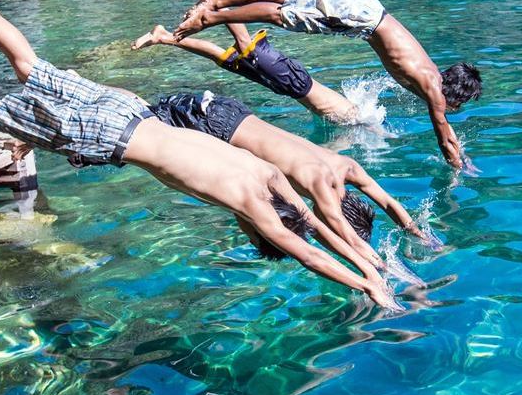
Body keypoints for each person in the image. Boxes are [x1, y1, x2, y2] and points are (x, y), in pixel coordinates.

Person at [0, 0, 398, 309]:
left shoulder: (270, 176)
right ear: (259, 230)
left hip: (132, 109)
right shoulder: (252, 203)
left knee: (28, 65)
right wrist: (367, 286)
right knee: (2, 112)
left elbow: (316, 227)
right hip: (111, 138)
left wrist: (369, 262)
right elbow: (305, 247)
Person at [170, 0, 483, 169]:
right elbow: (444, 137)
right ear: (454, 93)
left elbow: (448, 134)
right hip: (361, 19)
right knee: (282, 15)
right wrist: (457, 168)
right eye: (460, 103)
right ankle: (210, 17)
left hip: (369, 11)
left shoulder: (431, 73)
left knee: (289, 0)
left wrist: (462, 154)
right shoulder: (433, 89)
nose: (453, 109)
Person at [145, 90, 430, 276]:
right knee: (143, 127)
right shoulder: (322, 190)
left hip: (234, 112)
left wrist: (418, 233)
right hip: (215, 126)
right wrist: (385, 270)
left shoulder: (347, 168)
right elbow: (346, 238)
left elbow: (390, 203)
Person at [132, 23, 365, 124]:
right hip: (295, 82)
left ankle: (163, 37)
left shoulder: (352, 116)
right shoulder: (358, 120)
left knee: (222, 59)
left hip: (286, 86)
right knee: (244, 44)